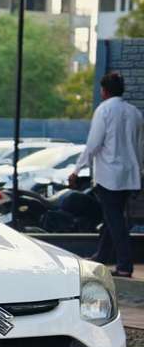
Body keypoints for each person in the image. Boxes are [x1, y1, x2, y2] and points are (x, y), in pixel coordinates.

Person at [69, 71, 144, 277]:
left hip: (109, 175)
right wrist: (140, 172)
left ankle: (124, 266)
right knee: (113, 217)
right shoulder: (134, 113)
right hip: (128, 176)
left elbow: (93, 144)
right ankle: (102, 256)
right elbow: (140, 147)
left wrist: (77, 169)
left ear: (104, 91)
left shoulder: (104, 111)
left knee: (115, 219)